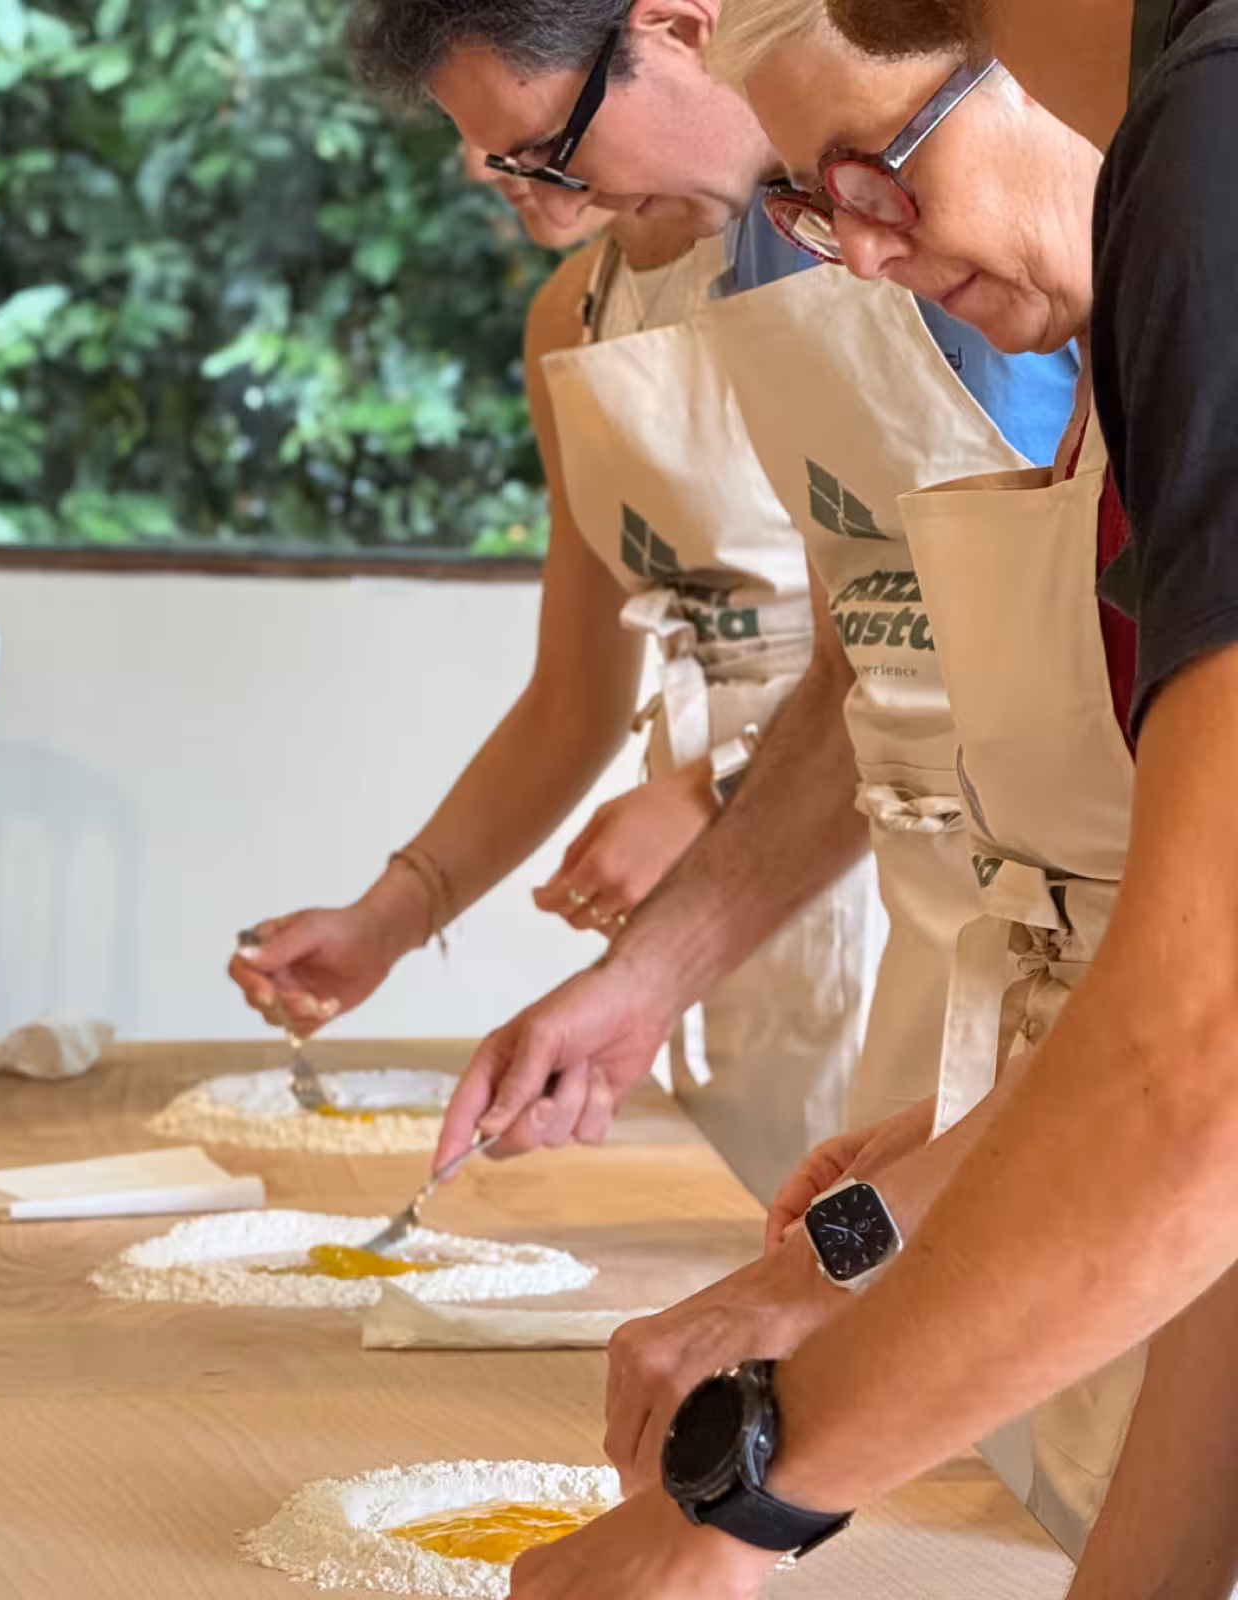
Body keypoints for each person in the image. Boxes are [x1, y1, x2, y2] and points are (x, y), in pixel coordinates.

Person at [487, 6, 1238, 1599]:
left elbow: (1196, 1072)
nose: (865, 255)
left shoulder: (1201, 168)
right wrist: (876, 1227)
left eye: (870, 173)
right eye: (819, 210)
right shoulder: (1130, 278)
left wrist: (737, 1505)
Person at [231, 0, 1080, 1202]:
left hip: (983, 910)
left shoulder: (1028, 229)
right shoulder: (759, 252)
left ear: (682, 28)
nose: (516, 180)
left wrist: (710, 793)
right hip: (893, 891)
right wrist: (614, 974)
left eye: (543, 145)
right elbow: (872, 653)